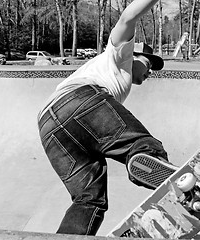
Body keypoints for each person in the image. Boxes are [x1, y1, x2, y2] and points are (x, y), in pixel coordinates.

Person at [37, 0, 177, 235]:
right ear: (134, 53)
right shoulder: (120, 55)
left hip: (48, 127)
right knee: (142, 145)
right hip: (80, 101)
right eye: (147, 63)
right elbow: (127, 18)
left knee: (88, 200)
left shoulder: (105, 71)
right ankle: (153, 165)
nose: (150, 71)